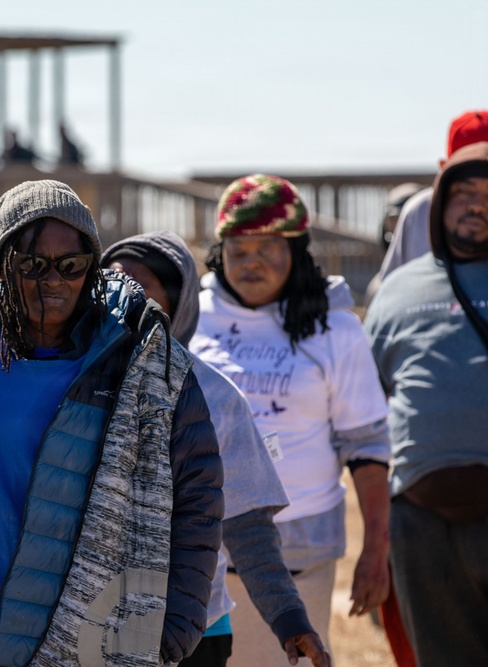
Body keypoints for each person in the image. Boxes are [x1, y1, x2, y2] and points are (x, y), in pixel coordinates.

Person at [0, 179, 224, 666]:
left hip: (89, 641)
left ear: (90, 268)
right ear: (0, 268)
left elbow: (199, 492)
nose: (53, 280)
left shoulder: (143, 356)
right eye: (31, 264)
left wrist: (175, 625)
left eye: (71, 265)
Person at [189, 175, 392, 666]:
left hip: (299, 548)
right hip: (203, 550)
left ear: (297, 250)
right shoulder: (192, 317)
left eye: (268, 248)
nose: (251, 261)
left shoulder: (334, 326)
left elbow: (367, 447)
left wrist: (376, 550)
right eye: (238, 249)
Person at [102, 232, 330, 667]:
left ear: (177, 303)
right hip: (86, 625)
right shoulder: (66, 381)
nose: (119, 298)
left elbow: (246, 526)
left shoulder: (214, 397)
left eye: (139, 286)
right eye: (108, 284)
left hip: (192, 631)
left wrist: (290, 619)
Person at [363, 141, 488, 666]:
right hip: (419, 520)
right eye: (462, 193)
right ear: (438, 205)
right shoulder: (397, 290)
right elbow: (370, 396)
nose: (476, 204)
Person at [370, 110, 488, 292]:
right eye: (465, 188)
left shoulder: (417, 209)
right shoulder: (418, 209)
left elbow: (389, 292)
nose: (476, 205)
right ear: (444, 171)